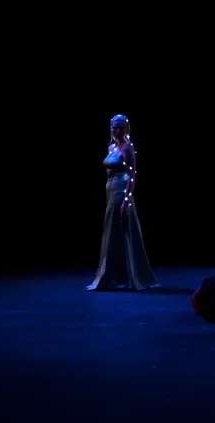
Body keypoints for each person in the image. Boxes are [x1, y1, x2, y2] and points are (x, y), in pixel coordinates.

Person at [85, 114, 161, 291]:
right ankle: (116, 275)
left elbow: (132, 175)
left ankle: (124, 277)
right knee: (113, 233)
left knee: (119, 230)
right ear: (111, 128)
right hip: (111, 190)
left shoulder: (127, 147)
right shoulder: (111, 147)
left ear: (126, 129)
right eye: (115, 127)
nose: (117, 131)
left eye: (120, 128)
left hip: (120, 191)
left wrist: (126, 200)